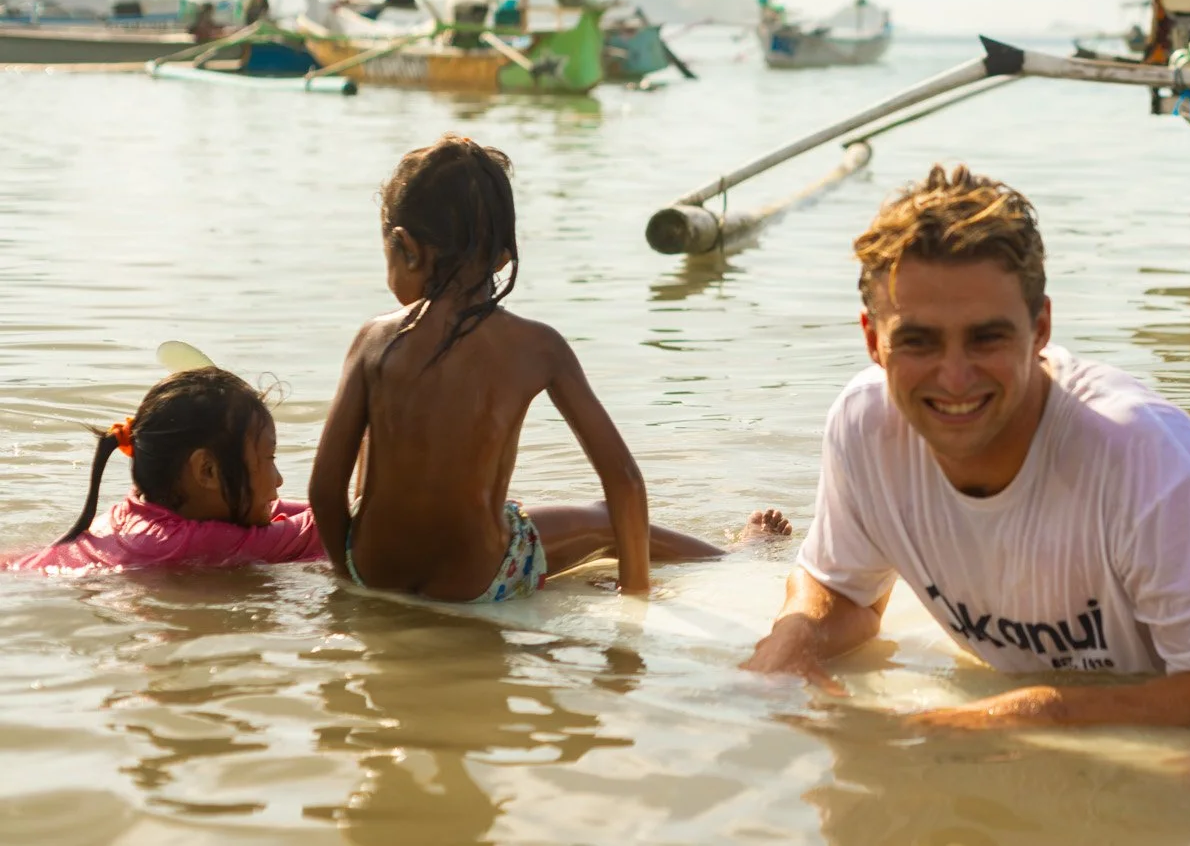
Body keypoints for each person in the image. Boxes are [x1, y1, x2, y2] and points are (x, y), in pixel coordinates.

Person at [742, 164, 1190, 727]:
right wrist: (792, 637)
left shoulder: (1141, 454)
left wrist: (1029, 712)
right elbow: (845, 595)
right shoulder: (864, 425)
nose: (955, 378)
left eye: (987, 338)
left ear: (1041, 326)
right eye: (919, 341)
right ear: (872, 340)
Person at [310, 135, 787, 603]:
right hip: (478, 583)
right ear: (501, 257)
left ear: (404, 247)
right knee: (601, 520)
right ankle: (737, 556)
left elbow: (325, 491)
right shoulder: (538, 347)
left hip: (373, 570)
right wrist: (634, 590)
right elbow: (623, 480)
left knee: (380, 435)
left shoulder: (373, 341)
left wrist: (350, 574)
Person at [5, 367, 324, 573]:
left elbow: (301, 512)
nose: (279, 480)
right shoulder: (185, 544)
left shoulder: (145, 512)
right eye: (269, 459)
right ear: (207, 471)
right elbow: (329, 525)